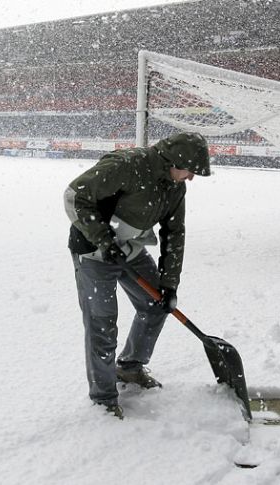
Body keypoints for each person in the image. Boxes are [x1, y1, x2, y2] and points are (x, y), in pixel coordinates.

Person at [63, 132, 211, 419]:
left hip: (129, 249)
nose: (191, 177)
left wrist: (169, 285)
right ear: (173, 160)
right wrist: (103, 240)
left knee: (157, 304)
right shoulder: (128, 165)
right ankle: (104, 399)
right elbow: (75, 196)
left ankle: (129, 368)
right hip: (94, 252)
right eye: (190, 170)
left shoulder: (175, 186)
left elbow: (174, 234)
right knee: (102, 325)